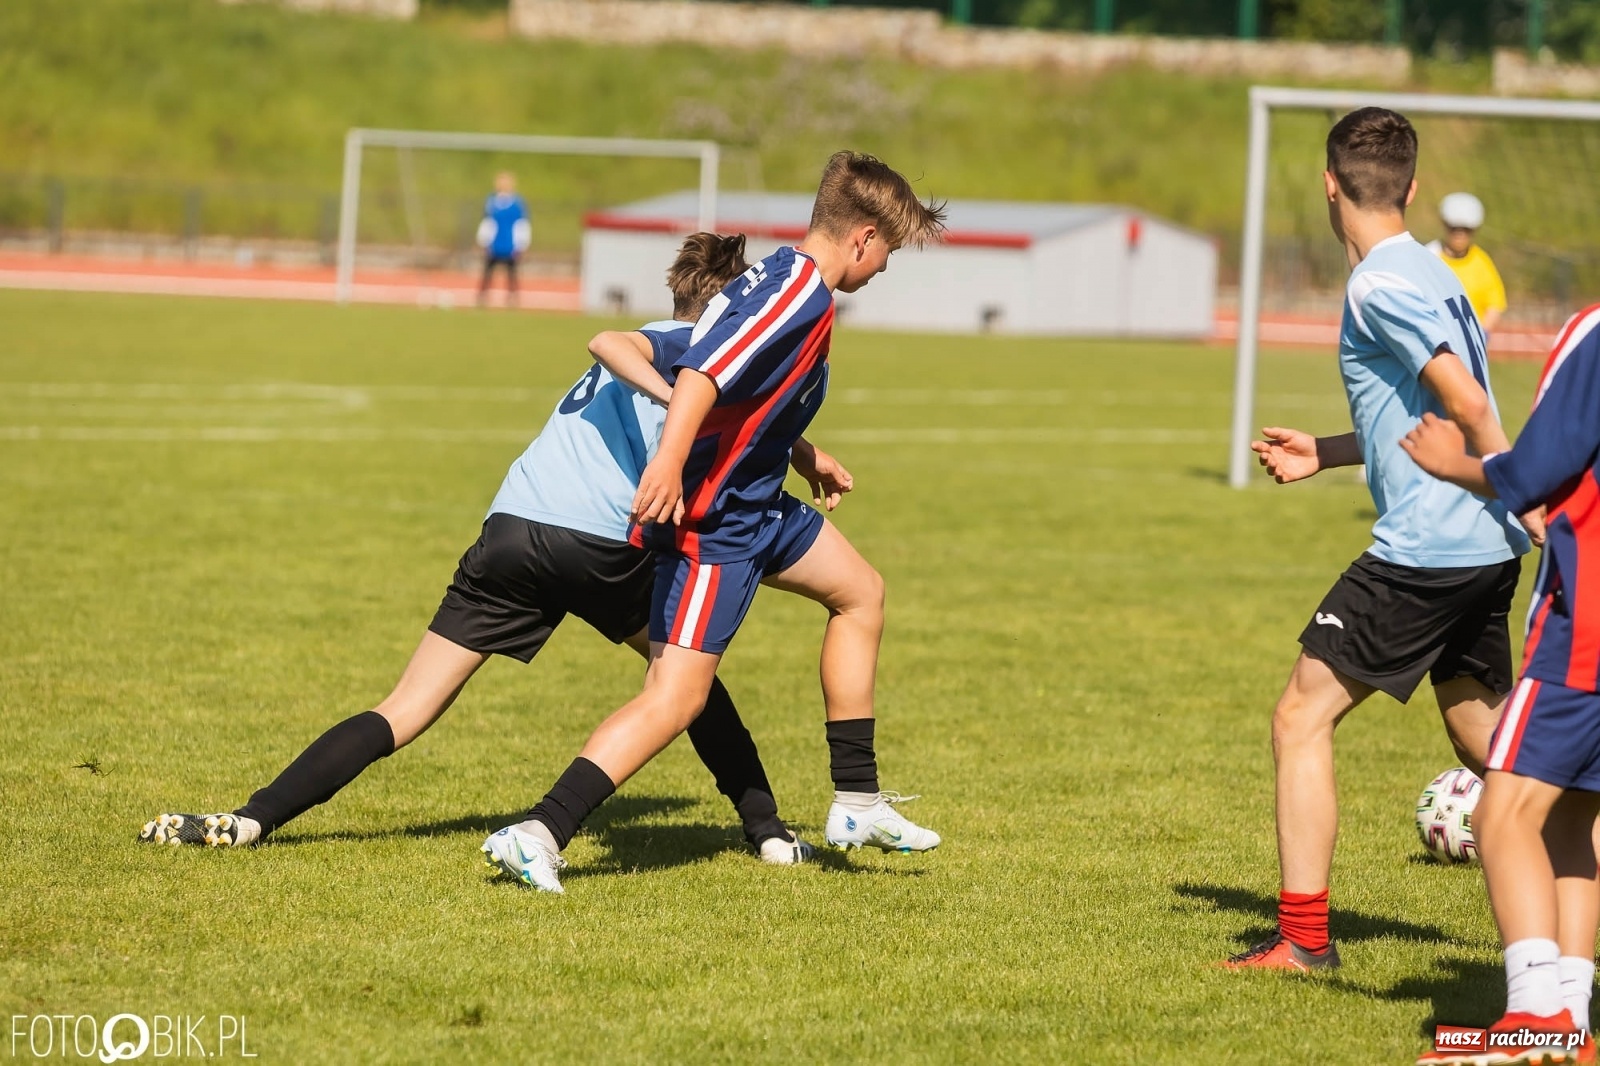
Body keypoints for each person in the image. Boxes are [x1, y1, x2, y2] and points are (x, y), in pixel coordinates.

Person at [140, 233, 825, 867]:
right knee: (684, 682)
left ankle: (253, 818)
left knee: (404, 707)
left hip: (512, 530)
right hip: (599, 546)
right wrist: (680, 396)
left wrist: (801, 451)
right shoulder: (688, 351)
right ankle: (765, 828)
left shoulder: (673, 343)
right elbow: (613, 344)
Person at [481, 150, 947, 894]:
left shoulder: (786, 279)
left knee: (861, 592)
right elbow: (703, 372)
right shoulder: (799, 294)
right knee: (677, 696)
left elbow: (741, 385)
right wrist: (667, 464)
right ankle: (538, 832)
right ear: (862, 237)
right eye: (887, 253)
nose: (885, 268)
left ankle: (857, 803)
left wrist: (802, 453)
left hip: (762, 505)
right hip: (718, 526)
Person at [1226, 107, 1538, 972]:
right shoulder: (1437, 270)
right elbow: (1427, 412)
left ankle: (1302, 940)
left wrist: (1531, 492)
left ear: (1330, 185)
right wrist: (1328, 452)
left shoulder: (1378, 286)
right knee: (1491, 745)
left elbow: (1467, 404)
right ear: (1409, 187)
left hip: (1428, 550)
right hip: (1481, 545)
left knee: (1299, 717)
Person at [1403, 306, 1600, 1065]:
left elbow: (1537, 468)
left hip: (1585, 625)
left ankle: (1530, 1018)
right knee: (1573, 820)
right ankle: (1569, 1020)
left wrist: (1454, 461)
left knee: (1502, 814)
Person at [1426, 191, 1508, 337]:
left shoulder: (1481, 262)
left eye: (1466, 230)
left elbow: (1495, 304)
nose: (1460, 235)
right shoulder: (1430, 256)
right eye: (1454, 229)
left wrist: (1480, 335)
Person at [476, 171, 530, 307]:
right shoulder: (491, 202)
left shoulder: (517, 204)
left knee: (512, 273)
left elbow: (522, 225)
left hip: (510, 245)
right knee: (488, 271)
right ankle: (483, 296)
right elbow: (487, 223)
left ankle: (512, 297)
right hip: (494, 244)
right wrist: (483, 241)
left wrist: (522, 244)